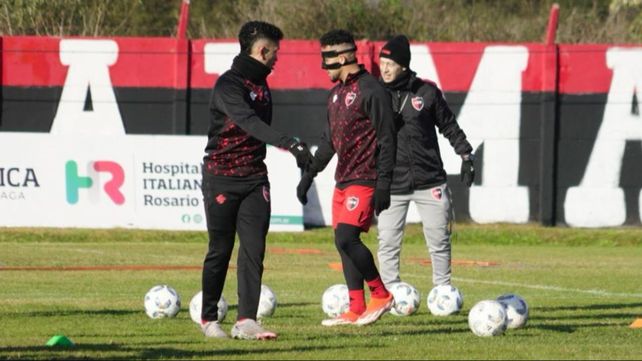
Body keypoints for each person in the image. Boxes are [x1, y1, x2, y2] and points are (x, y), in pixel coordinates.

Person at [200, 20, 313, 340]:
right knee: (220, 249)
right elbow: (249, 122)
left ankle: (246, 320)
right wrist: (289, 143)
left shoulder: (262, 85)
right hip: (221, 178)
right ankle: (209, 319)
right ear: (262, 51)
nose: (277, 59)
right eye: (275, 52)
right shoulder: (228, 85)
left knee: (253, 248)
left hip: (254, 179)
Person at [296, 29, 396, 326]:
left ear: (342, 57)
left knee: (347, 237)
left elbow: (388, 139)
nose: (322, 66)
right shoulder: (335, 94)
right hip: (343, 179)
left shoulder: (372, 90)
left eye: (326, 59)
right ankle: (355, 307)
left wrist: (384, 183)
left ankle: (381, 294)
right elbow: (328, 143)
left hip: (366, 178)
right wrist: (309, 175)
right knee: (342, 244)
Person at [375, 35, 475, 290]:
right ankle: (389, 293)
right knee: (387, 242)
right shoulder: (375, 94)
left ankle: (442, 291)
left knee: (439, 239)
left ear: (404, 65)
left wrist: (465, 155)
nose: (384, 68)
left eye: (390, 63)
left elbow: (449, 126)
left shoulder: (427, 92)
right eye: (382, 62)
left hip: (430, 180)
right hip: (392, 184)